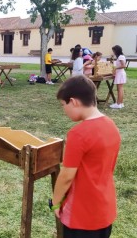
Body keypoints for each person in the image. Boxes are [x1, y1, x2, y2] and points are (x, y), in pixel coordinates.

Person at [52, 75, 121, 238]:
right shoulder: (112, 126)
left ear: (74, 102)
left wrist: (55, 203)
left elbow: (66, 176)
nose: (64, 110)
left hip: (82, 216)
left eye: (63, 105)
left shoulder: (78, 134)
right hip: (105, 209)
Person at [110, 45, 126, 109]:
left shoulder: (121, 57)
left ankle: (118, 103)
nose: (113, 52)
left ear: (116, 50)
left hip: (120, 73)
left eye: (113, 50)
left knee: (120, 89)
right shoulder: (120, 56)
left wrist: (116, 67)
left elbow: (123, 65)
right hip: (120, 73)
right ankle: (121, 103)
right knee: (120, 89)